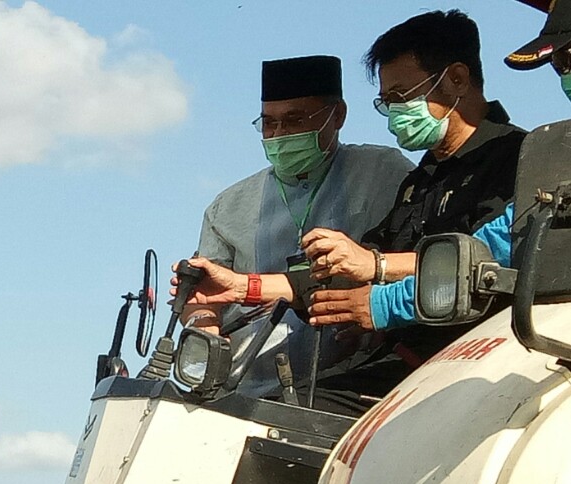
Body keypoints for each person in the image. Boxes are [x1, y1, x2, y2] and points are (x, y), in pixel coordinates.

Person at [183, 11, 525, 406]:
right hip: (399, 367)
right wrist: (240, 286)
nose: (395, 114)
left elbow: (482, 261)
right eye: (386, 103)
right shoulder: (421, 180)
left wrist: (378, 284)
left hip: (473, 370)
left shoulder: (517, 160)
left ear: (457, 79)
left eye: (401, 98)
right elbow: (342, 277)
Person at [187, 56, 410, 394]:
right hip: (245, 390)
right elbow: (204, 295)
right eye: (269, 123)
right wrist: (204, 328)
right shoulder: (228, 207)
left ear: (337, 116)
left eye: (294, 120)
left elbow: (414, 263)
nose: (280, 134)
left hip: (355, 386)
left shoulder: (385, 174)